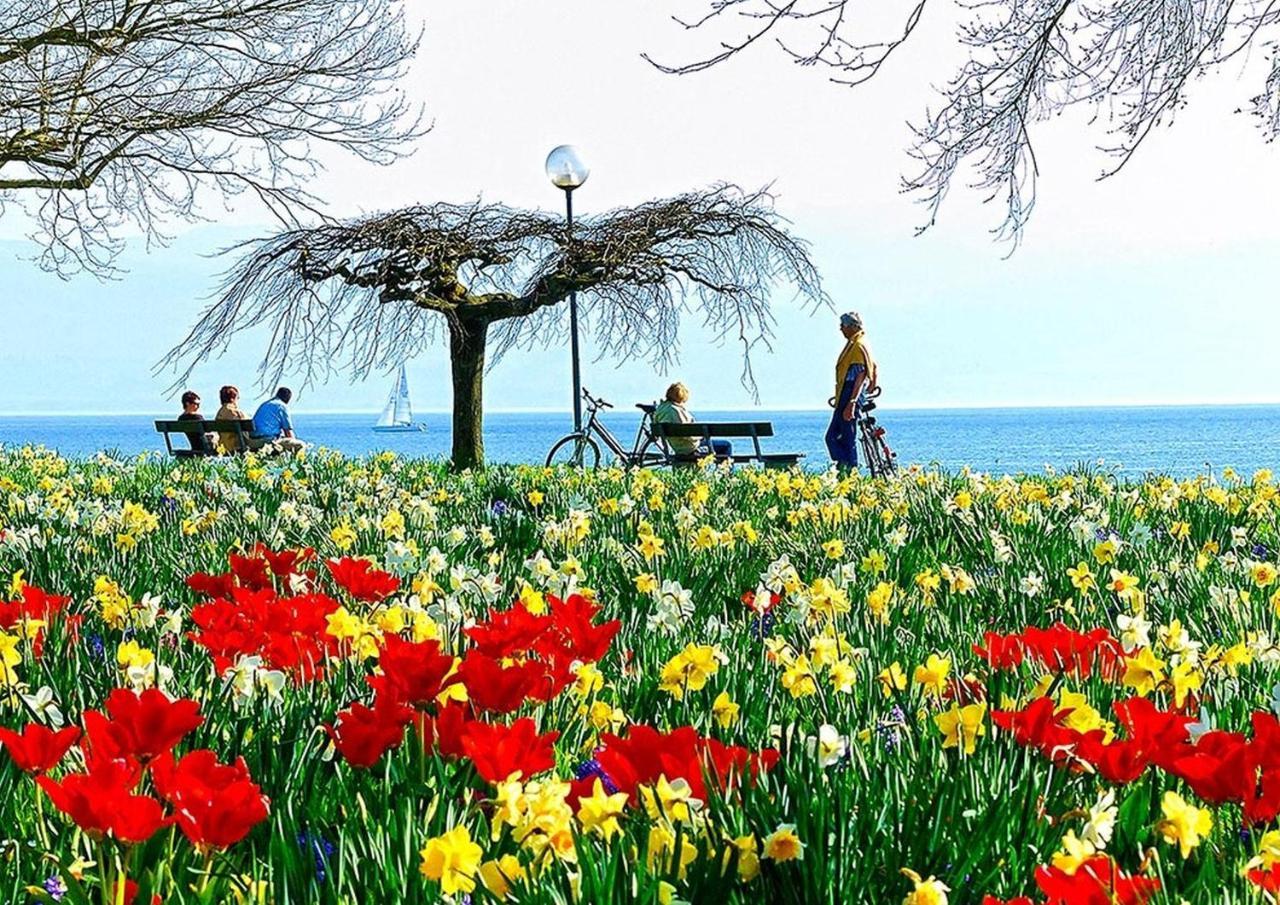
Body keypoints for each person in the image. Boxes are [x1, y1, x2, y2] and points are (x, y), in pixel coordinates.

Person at [826, 311, 877, 471]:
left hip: (850, 393)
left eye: (843, 326)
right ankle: (846, 467)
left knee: (840, 436)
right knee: (841, 436)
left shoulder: (857, 345)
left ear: (852, 327)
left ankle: (849, 469)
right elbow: (873, 368)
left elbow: (860, 374)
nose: (841, 329)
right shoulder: (859, 343)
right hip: (847, 393)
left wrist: (852, 402)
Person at [653, 382, 732, 460]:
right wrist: (700, 436)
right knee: (726, 445)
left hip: (677, 447)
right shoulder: (675, 410)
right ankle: (726, 471)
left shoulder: (661, 409)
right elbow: (687, 433)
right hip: (690, 448)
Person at [250, 386, 306, 452]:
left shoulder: (265, 404)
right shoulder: (282, 406)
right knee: (301, 445)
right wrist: (293, 442)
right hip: (267, 441)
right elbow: (288, 432)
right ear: (287, 399)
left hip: (253, 441)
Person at [214, 385, 249, 454]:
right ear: (233, 399)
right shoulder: (235, 412)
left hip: (223, 446)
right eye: (237, 397)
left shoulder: (220, 413)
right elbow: (249, 426)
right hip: (236, 446)